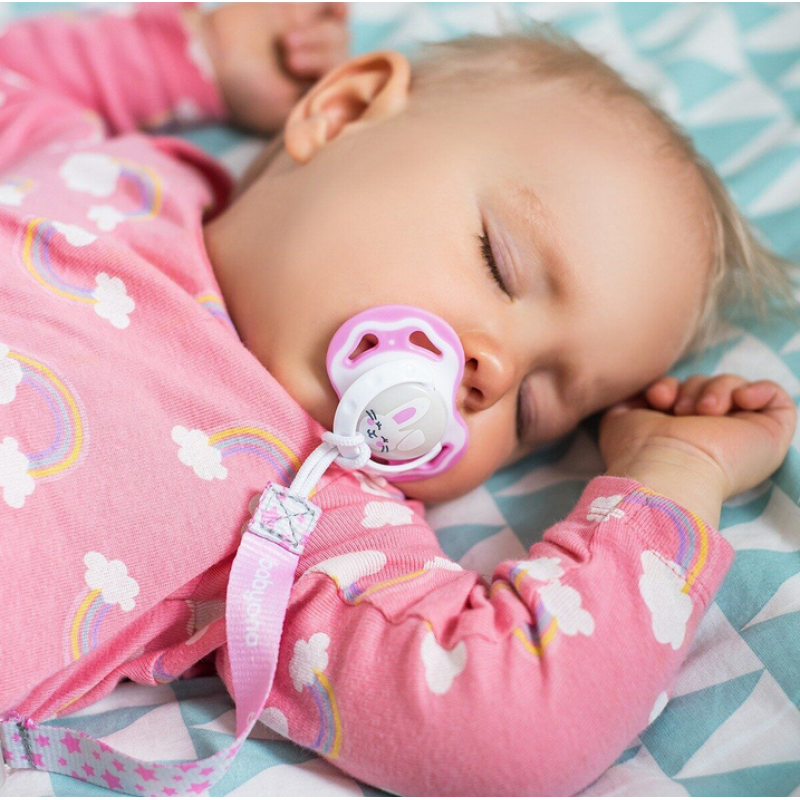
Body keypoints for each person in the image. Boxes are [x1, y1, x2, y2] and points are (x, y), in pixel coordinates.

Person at [0, 4, 795, 795]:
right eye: (499, 264)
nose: (494, 369)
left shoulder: (308, 523)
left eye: (530, 412)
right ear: (342, 112)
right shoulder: (98, 169)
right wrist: (192, 57)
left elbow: (509, 726)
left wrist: (676, 472)